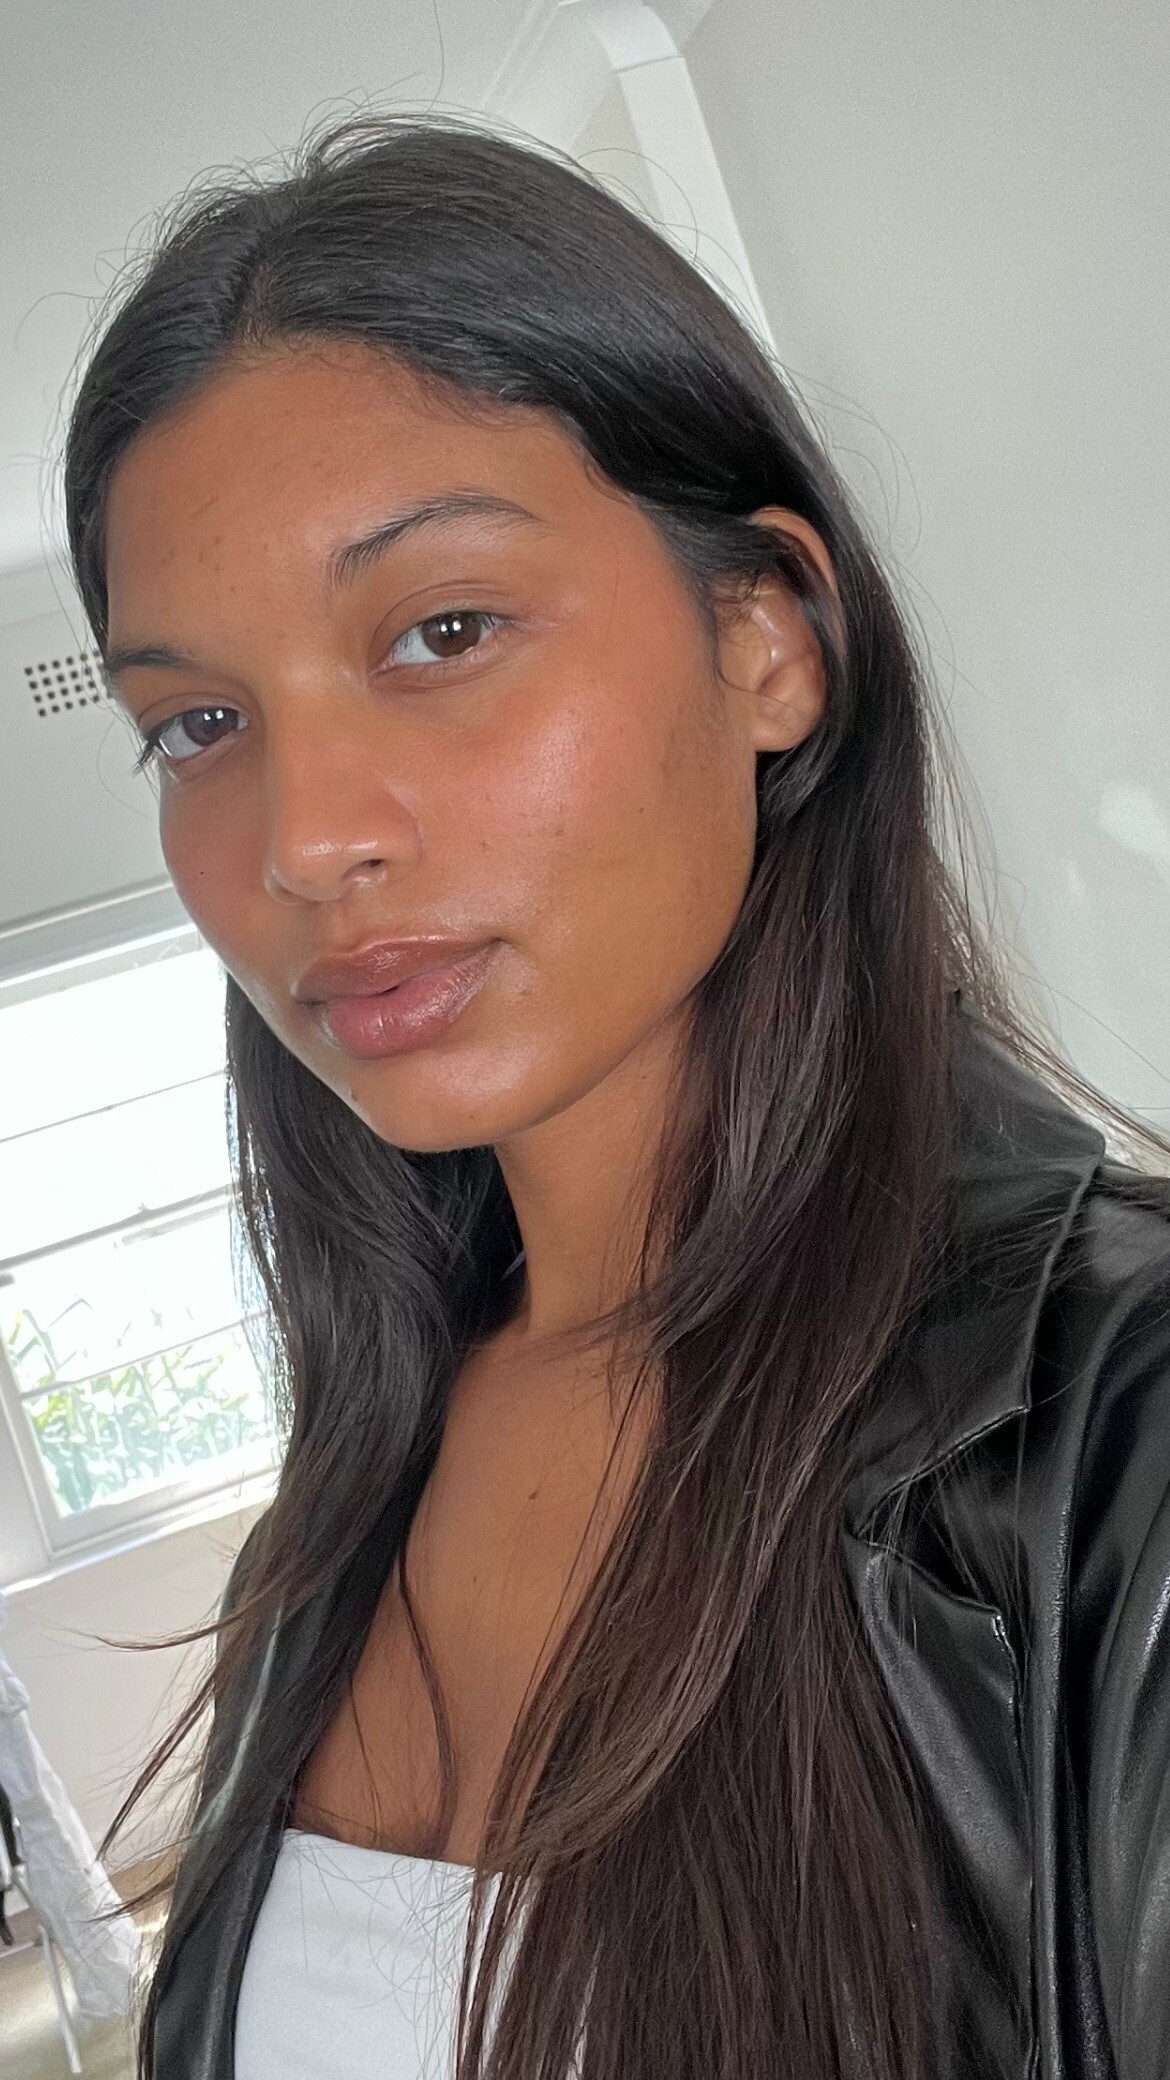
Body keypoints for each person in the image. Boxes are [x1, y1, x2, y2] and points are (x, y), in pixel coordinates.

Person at [63, 113, 1170, 2080]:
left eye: (443, 630)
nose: (305, 837)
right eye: (203, 722)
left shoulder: (1119, 1441)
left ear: (768, 641)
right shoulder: (330, 1521)